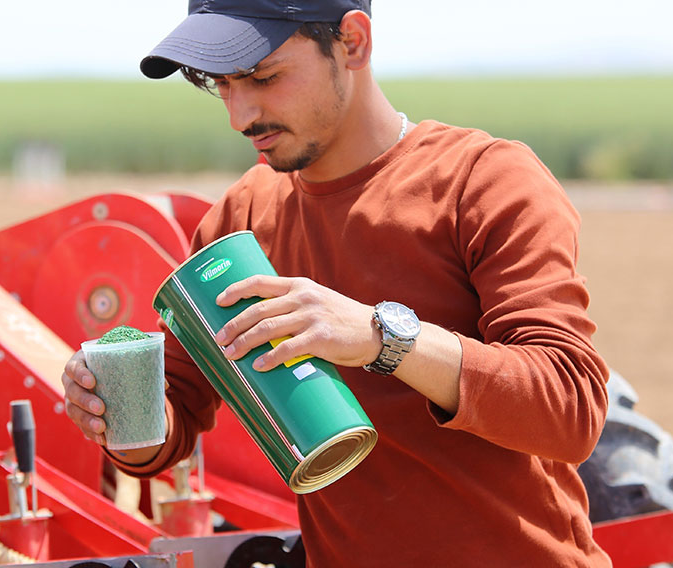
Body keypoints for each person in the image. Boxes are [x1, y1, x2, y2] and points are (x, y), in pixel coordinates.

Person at [60, 0, 611, 565]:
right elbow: (174, 417)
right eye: (221, 86)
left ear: (352, 42)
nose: (240, 115)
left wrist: (382, 338)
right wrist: (117, 411)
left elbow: (570, 409)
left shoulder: (483, 182)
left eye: (263, 77)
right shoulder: (242, 220)